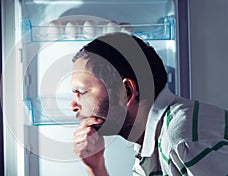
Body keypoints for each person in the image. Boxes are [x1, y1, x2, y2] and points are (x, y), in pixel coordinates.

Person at [70, 32, 228, 176]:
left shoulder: (182, 137)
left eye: (82, 92)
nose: (74, 106)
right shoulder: (149, 148)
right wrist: (95, 167)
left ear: (125, 92)